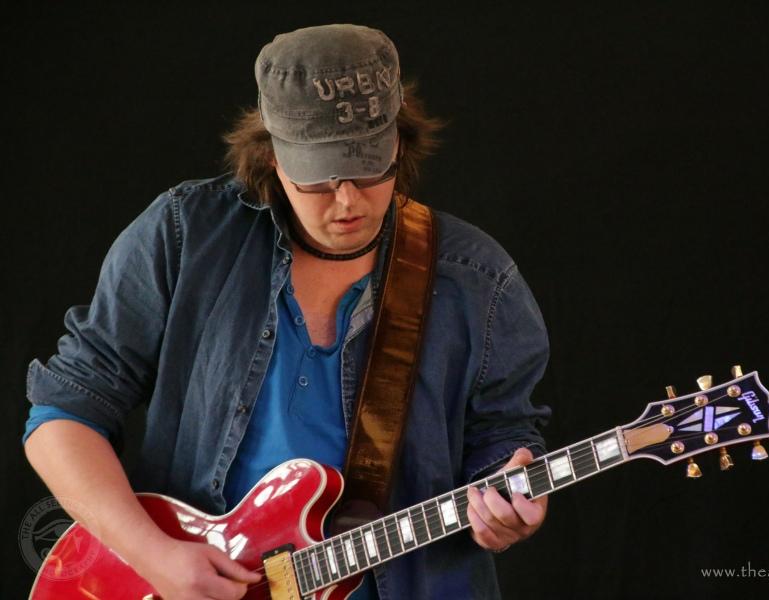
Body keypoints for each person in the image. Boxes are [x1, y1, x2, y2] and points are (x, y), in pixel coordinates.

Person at [23, 23, 551, 599]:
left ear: (399, 141)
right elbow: (62, 417)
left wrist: (505, 495)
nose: (347, 200)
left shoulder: (477, 277)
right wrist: (154, 556)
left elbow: (502, 436)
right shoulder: (185, 234)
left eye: (368, 168)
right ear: (272, 156)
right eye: (319, 178)